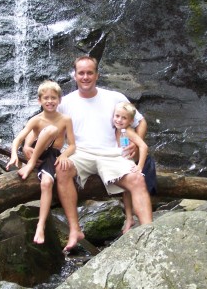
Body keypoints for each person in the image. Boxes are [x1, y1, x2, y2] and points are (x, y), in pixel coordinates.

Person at [24, 55, 153, 252]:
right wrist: (27, 146)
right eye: (81, 73)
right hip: (79, 152)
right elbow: (42, 122)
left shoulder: (115, 98)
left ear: (97, 75)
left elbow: (140, 122)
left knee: (137, 179)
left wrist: (136, 144)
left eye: (89, 73)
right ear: (74, 76)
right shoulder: (64, 102)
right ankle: (75, 229)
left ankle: (149, 234)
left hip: (111, 153)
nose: (85, 77)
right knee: (62, 168)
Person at [6, 80, 76, 244]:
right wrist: (13, 155)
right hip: (38, 152)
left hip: (52, 155)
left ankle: (40, 226)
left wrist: (64, 155)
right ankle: (31, 165)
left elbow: (72, 145)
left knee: (46, 184)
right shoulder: (35, 120)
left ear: (59, 100)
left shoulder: (66, 119)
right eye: (46, 98)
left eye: (53, 98)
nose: (50, 101)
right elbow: (18, 139)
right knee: (50, 129)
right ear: (40, 101)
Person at [113, 101, 149, 234]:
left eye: (124, 118)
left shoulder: (128, 131)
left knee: (128, 188)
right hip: (120, 161)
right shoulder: (115, 129)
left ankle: (131, 218)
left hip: (128, 163)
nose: (119, 120)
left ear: (131, 121)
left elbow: (144, 146)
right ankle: (129, 218)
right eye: (117, 116)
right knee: (125, 190)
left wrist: (140, 166)